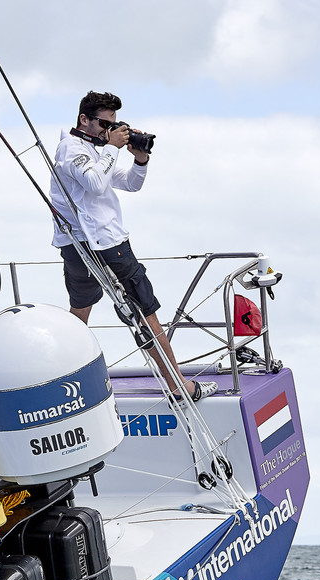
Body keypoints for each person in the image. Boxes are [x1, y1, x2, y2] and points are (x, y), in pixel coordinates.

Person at [49, 90, 203, 402]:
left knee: (95, 310)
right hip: (93, 243)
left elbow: (131, 183)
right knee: (140, 310)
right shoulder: (71, 148)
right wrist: (113, 148)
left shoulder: (97, 148)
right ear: (84, 120)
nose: (109, 131)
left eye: (113, 125)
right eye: (104, 124)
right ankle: (176, 385)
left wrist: (140, 157)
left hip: (101, 240)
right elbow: (94, 182)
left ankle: (171, 382)